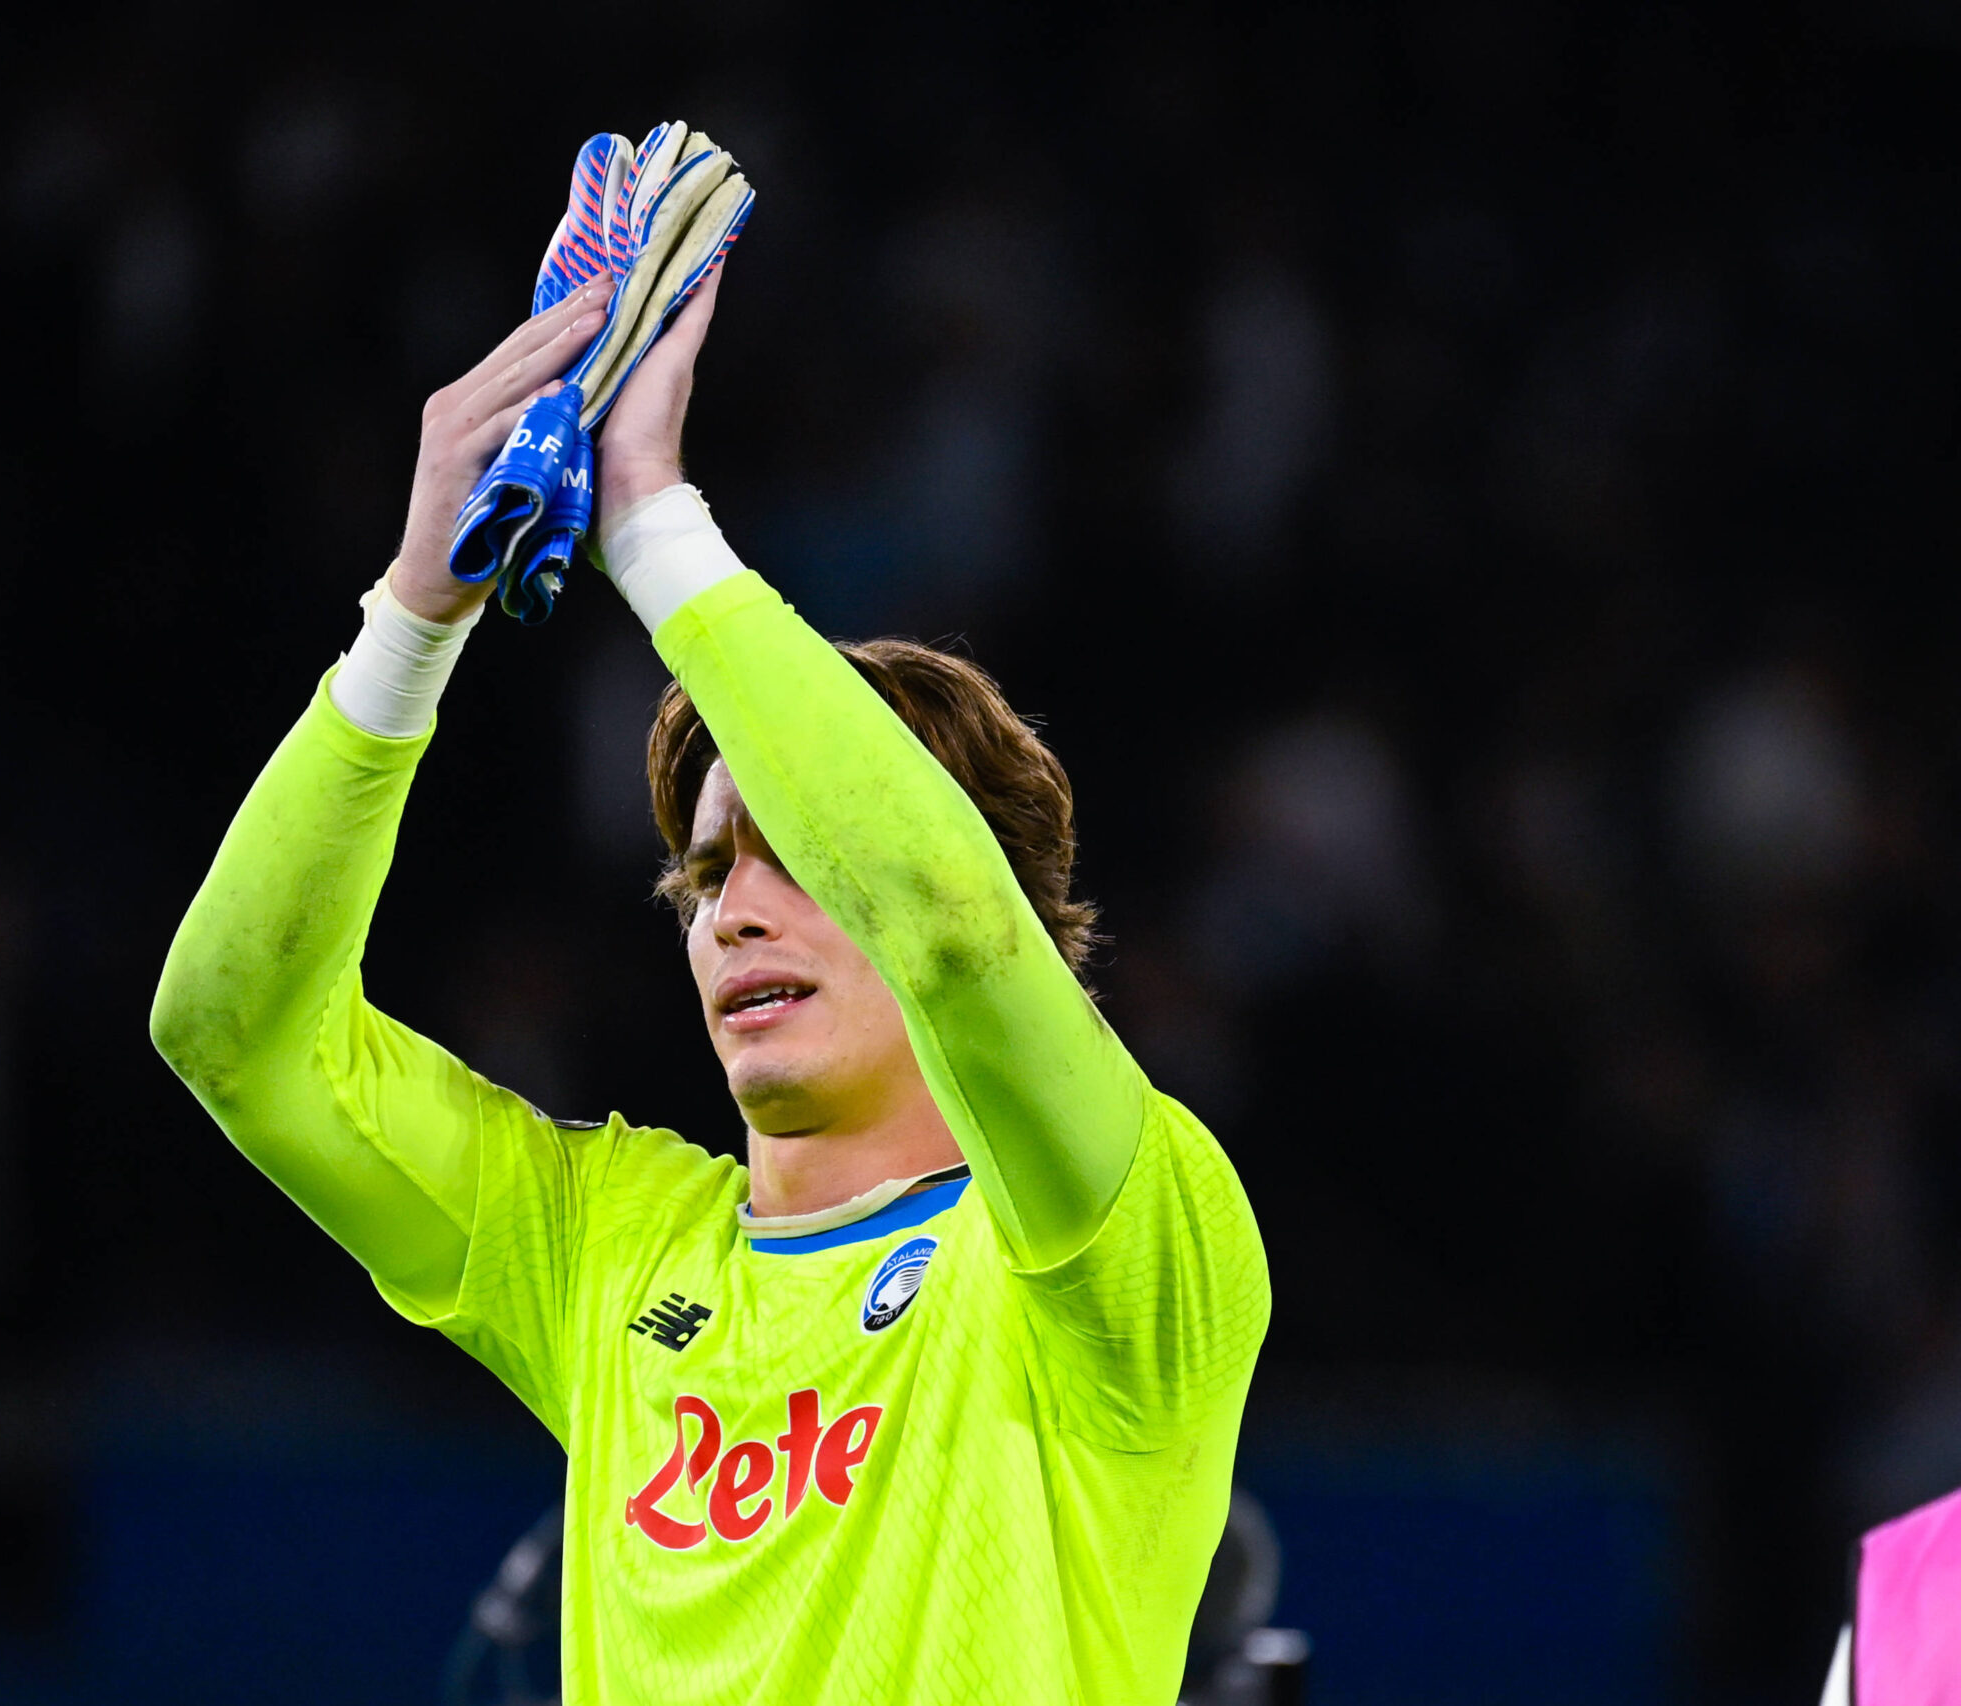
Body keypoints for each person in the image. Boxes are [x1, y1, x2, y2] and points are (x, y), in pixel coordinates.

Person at [151, 268, 1270, 1704]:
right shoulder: (606, 1251)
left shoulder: (1125, 1244)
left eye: (802, 854)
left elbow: (946, 928)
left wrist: (655, 528)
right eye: (705, 872)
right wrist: (414, 617)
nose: (736, 910)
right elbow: (232, 1035)